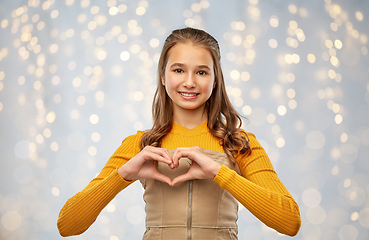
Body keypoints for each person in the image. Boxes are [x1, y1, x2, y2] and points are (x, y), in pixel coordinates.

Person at [57, 27, 301, 239]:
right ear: (163, 77)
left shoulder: (238, 143)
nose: (190, 82)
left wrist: (219, 172)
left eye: (202, 72)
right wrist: (123, 175)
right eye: (178, 70)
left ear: (216, 80)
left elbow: (289, 222)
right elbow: (68, 225)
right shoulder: (140, 144)